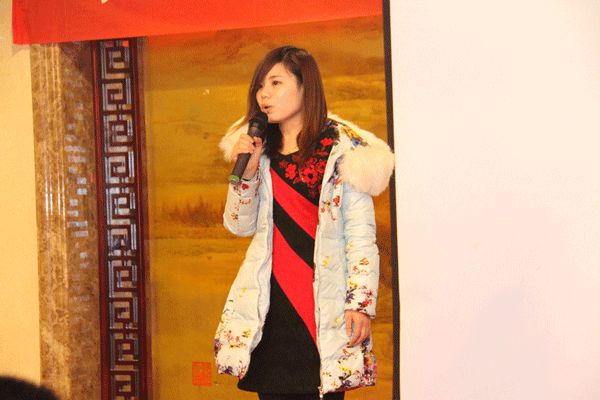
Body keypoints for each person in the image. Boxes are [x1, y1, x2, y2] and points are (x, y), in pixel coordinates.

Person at [214, 46, 394, 400]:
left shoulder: (343, 150)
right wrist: (247, 175)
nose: (264, 95)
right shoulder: (258, 147)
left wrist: (359, 304)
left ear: (304, 85)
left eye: (276, 83)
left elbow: (360, 236)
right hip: (271, 305)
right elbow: (239, 226)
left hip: (323, 307)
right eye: (260, 86)